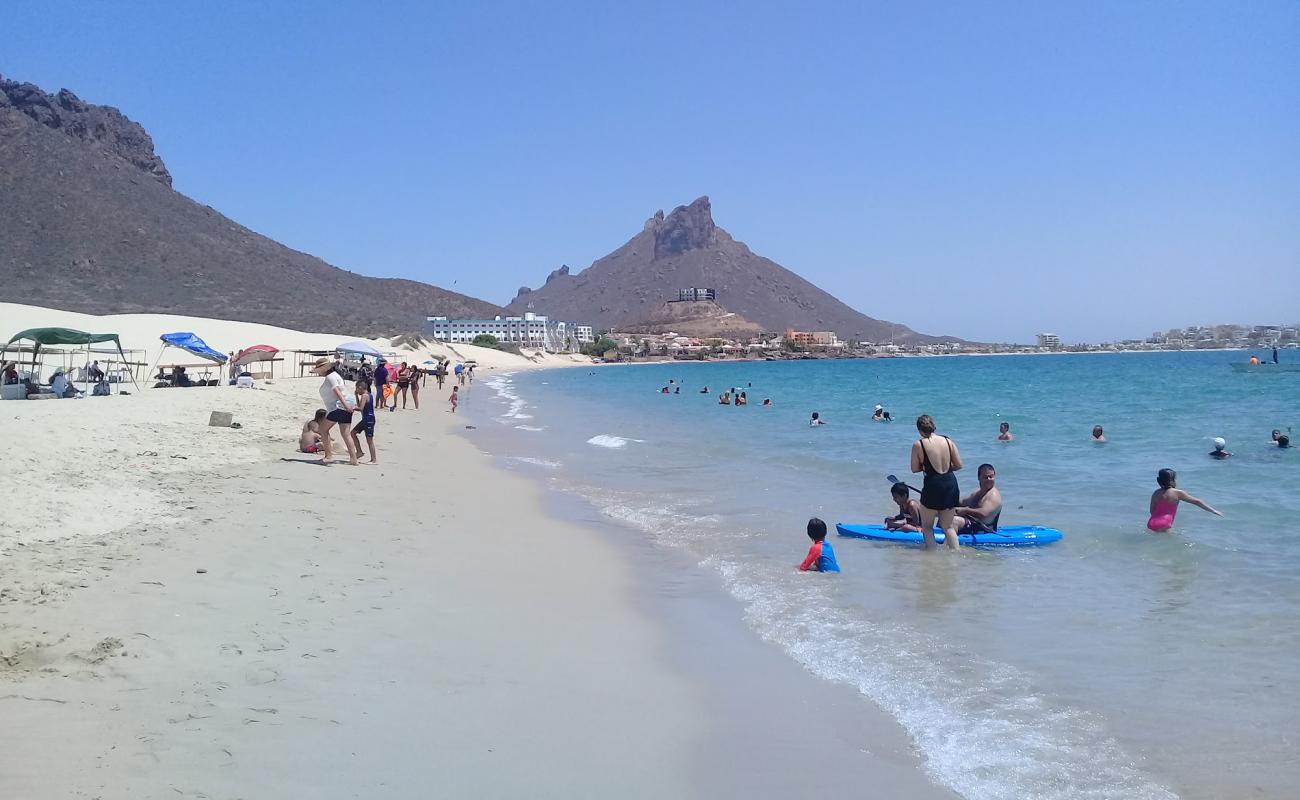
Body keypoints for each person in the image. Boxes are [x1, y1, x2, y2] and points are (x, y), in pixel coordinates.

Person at [910, 414, 963, 550]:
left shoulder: (919, 444)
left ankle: (933, 558)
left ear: (920, 430)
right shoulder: (948, 441)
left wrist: (925, 466)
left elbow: (914, 469)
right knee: (949, 527)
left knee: (927, 527)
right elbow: (958, 465)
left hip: (932, 485)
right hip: (950, 484)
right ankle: (955, 556)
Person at [315, 357, 359, 465]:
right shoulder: (335, 375)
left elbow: (337, 392)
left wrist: (346, 405)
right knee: (346, 434)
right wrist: (348, 406)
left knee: (323, 429)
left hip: (338, 407)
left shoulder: (330, 377)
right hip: (344, 406)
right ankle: (353, 459)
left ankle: (329, 456)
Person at [1147, 468, 1221, 532]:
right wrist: (1214, 511)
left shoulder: (1156, 493)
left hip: (1151, 523)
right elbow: (1197, 501)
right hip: (1165, 523)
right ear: (1172, 480)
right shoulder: (1178, 493)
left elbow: (1152, 510)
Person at [954, 464, 1002, 533]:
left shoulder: (993, 495)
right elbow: (964, 502)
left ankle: (950, 542)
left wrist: (965, 510)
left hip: (984, 529)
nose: (988, 479)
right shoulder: (978, 492)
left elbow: (984, 513)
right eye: (985, 477)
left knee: (954, 520)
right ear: (979, 477)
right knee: (946, 514)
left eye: (991, 477)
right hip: (973, 524)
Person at [349, 379, 378, 464]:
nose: (356, 390)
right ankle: (359, 452)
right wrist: (356, 396)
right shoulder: (366, 395)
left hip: (369, 419)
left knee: (369, 440)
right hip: (365, 419)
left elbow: (360, 408)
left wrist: (351, 407)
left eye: (357, 389)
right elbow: (360, 406)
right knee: (353, 433)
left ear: (360, 387)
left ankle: (373, 459)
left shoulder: (365, 395)